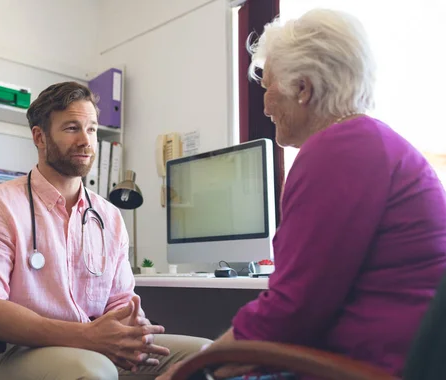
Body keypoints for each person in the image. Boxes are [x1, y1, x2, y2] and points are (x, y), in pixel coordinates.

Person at [157, 8, 446, 380]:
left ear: (303, 88)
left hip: (365, 368)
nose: (264, 106)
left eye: (267, 88)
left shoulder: (340, 149)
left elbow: (289, 312)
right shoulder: (370, 142)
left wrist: (191, 369)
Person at [0, 81, 211, 380]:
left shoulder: (109, 217)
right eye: (72, 128)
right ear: (40, 137)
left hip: (95, 350)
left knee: (205, 356)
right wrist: (85, 336)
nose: (86, 141)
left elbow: (119, 302)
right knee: (92, 371)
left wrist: (130, 324)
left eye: (92, 129)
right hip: (13, 354)